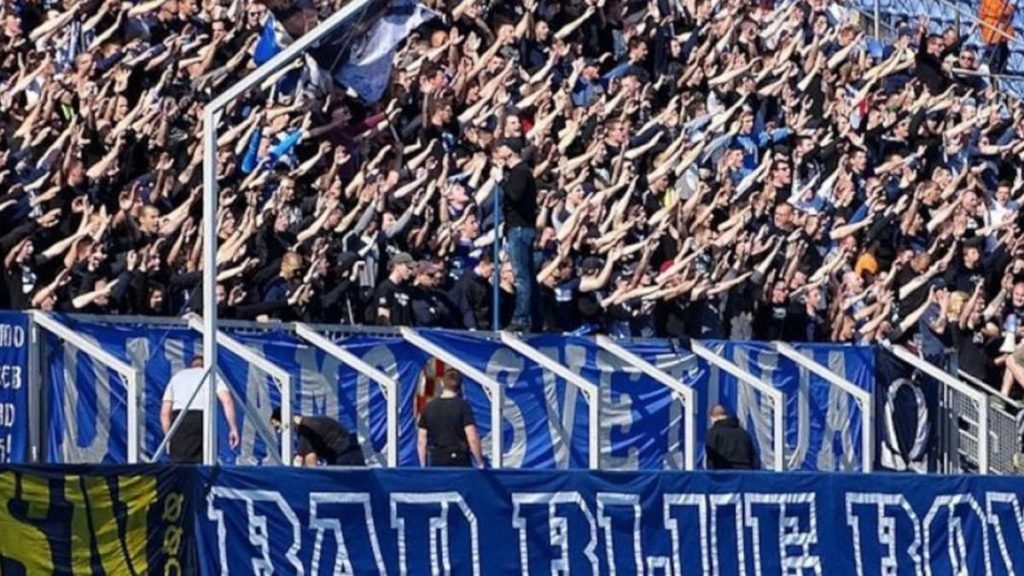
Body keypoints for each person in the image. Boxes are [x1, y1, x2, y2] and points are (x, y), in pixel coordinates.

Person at [160, 356, 239, 463]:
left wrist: (168, 437)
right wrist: (233, 428)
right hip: (202, 418)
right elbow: (227, 401)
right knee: (205, 462)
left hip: (180, 420)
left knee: (179, 466)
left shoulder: (177, 377)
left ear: (191, 365)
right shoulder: (212, 375)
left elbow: (165, 413)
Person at [417, 370, 485, 468]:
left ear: (442, 383)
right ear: (460, 386)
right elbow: (472, 437)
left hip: (437, 459)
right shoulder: (463, 407)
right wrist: (480, 462)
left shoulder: (429, 407)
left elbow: (421, 440)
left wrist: (423, 465)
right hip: (460, 459)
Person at [270, 408, 365, 467]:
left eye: (278, 427)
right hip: (352, 453)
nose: (279, 431)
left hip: (345, 457)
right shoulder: (312, 422)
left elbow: (310, 460)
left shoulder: (305, 429)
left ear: (285, 421)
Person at [705, 405, 759, 470]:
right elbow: (753, 457)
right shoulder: (744, 433)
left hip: (722, 473)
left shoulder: (714, 433)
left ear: (713, 417)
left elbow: (710, 457)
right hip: (744, 473)